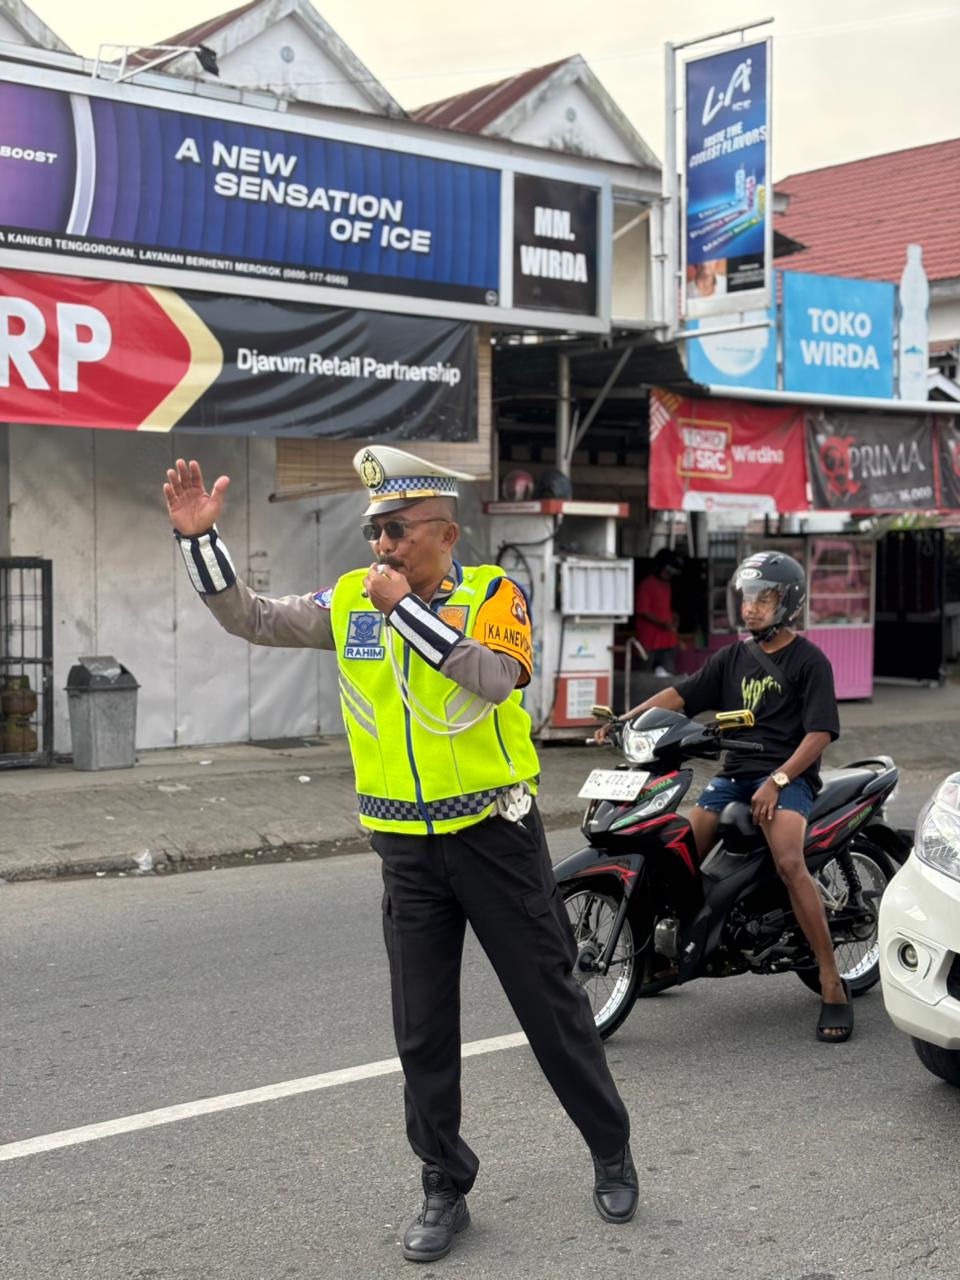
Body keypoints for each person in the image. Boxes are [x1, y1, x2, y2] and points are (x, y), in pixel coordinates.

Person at [163, 446, 637, 1264]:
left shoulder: (494, 595)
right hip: (406, 852)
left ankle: (611, 1150)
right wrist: (200, 541)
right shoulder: (351, 598)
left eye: (397, 530)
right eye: (374, 532)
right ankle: (443, 1183)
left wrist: (405, 614)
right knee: (421, 1029)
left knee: (551, 1008)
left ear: (445, 533)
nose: (381, 546)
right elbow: (254, 618)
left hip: (493, 837)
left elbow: (495, 678)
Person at [602, 551, 851, 1044]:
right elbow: (682, 694)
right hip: (733, 777)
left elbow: (821, 732)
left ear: (788, 603)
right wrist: (626, 721)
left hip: (789, 779)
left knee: (789, 863)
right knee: (676, 856)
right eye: (747, 598)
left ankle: (830, 980)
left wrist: (779, 779)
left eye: (764, 598)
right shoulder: (732, 658)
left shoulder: (810, 661)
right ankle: (670, 954)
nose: (751, 607)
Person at [635, 548, 683, 676]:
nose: (668, 576)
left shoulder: (667, 586)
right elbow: (643, 611)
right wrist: (662, 623)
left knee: (668, 675)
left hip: (667, 640)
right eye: (667, 572)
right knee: (644, 675)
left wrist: (674, 616)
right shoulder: (646, 585)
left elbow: (665, 607)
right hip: (648, 641)